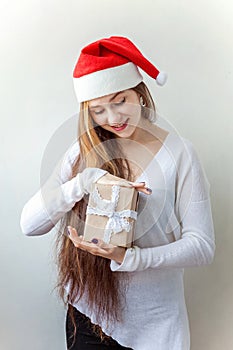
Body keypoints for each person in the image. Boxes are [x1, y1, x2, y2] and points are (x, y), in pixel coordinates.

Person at [20, 36, 215, 350]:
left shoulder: (178, 153)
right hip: (88, 316)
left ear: (139, 93)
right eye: (98, 110)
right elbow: (29, 225)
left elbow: (202, 246)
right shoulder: (81, 152)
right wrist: (84, 182)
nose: (112, 118)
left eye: (120, 100)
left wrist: (130, 258)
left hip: (156, 326)